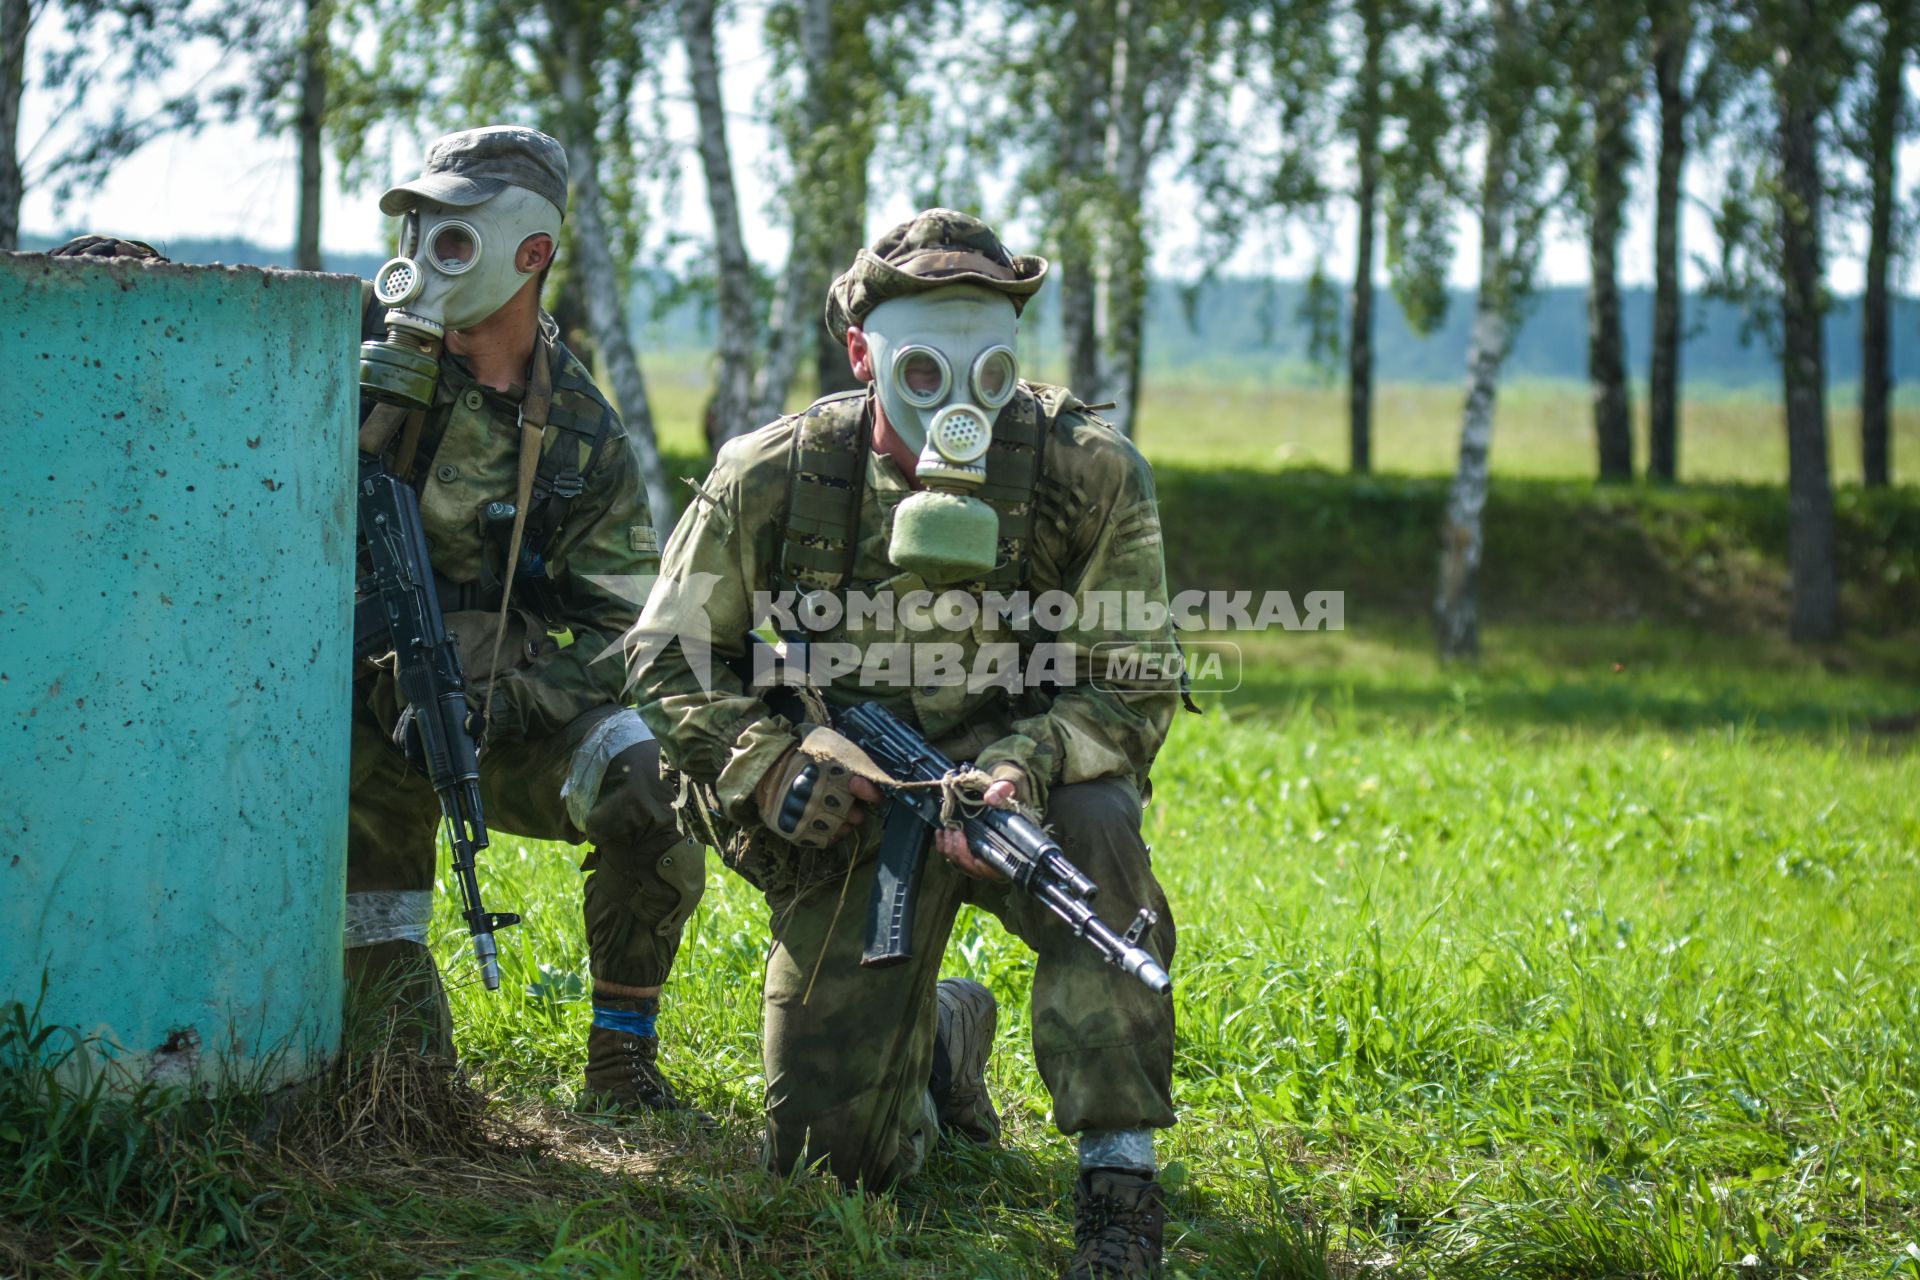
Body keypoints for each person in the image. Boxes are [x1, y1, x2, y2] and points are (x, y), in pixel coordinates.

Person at [631, 209, 1181, 1277]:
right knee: (826, 1170)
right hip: (854, 794)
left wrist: (1025, 769)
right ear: (861, 353)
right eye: (924, 366)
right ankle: (939, 1035)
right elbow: (668, 654)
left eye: (990, 368)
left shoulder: (1089, 472)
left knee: (1102, 829)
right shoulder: (777, 472)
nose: (959, 400)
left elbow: (1135, 685)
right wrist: (773, 762)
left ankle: (1121, 1190)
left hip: (1022, 782)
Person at [348, 125, 703, 1115]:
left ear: (531, 252)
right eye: (419, 229)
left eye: (455, 237)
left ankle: (622, 1058)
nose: (425, 259)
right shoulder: (325, 347)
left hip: (479, 717)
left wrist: (500, 702)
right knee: (392, 1085)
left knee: (652, 782)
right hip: (321, 724)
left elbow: (627, 634)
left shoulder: (580, 429)